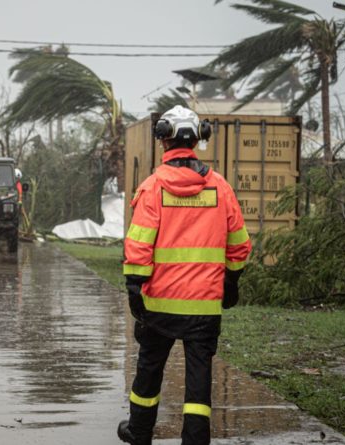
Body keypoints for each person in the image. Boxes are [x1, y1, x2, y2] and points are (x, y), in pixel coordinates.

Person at [118, 106, 252, 445]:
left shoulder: (152, 188)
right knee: (199, 376)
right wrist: (231, 282)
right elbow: (239, 244)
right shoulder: (220, 188)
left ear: (163, 139)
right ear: (199, 138)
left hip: (158, 303)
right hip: (204, 306)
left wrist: (135, 289)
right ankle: (195, 439)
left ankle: (139, 431)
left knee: (150, 368)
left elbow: (138, 246)